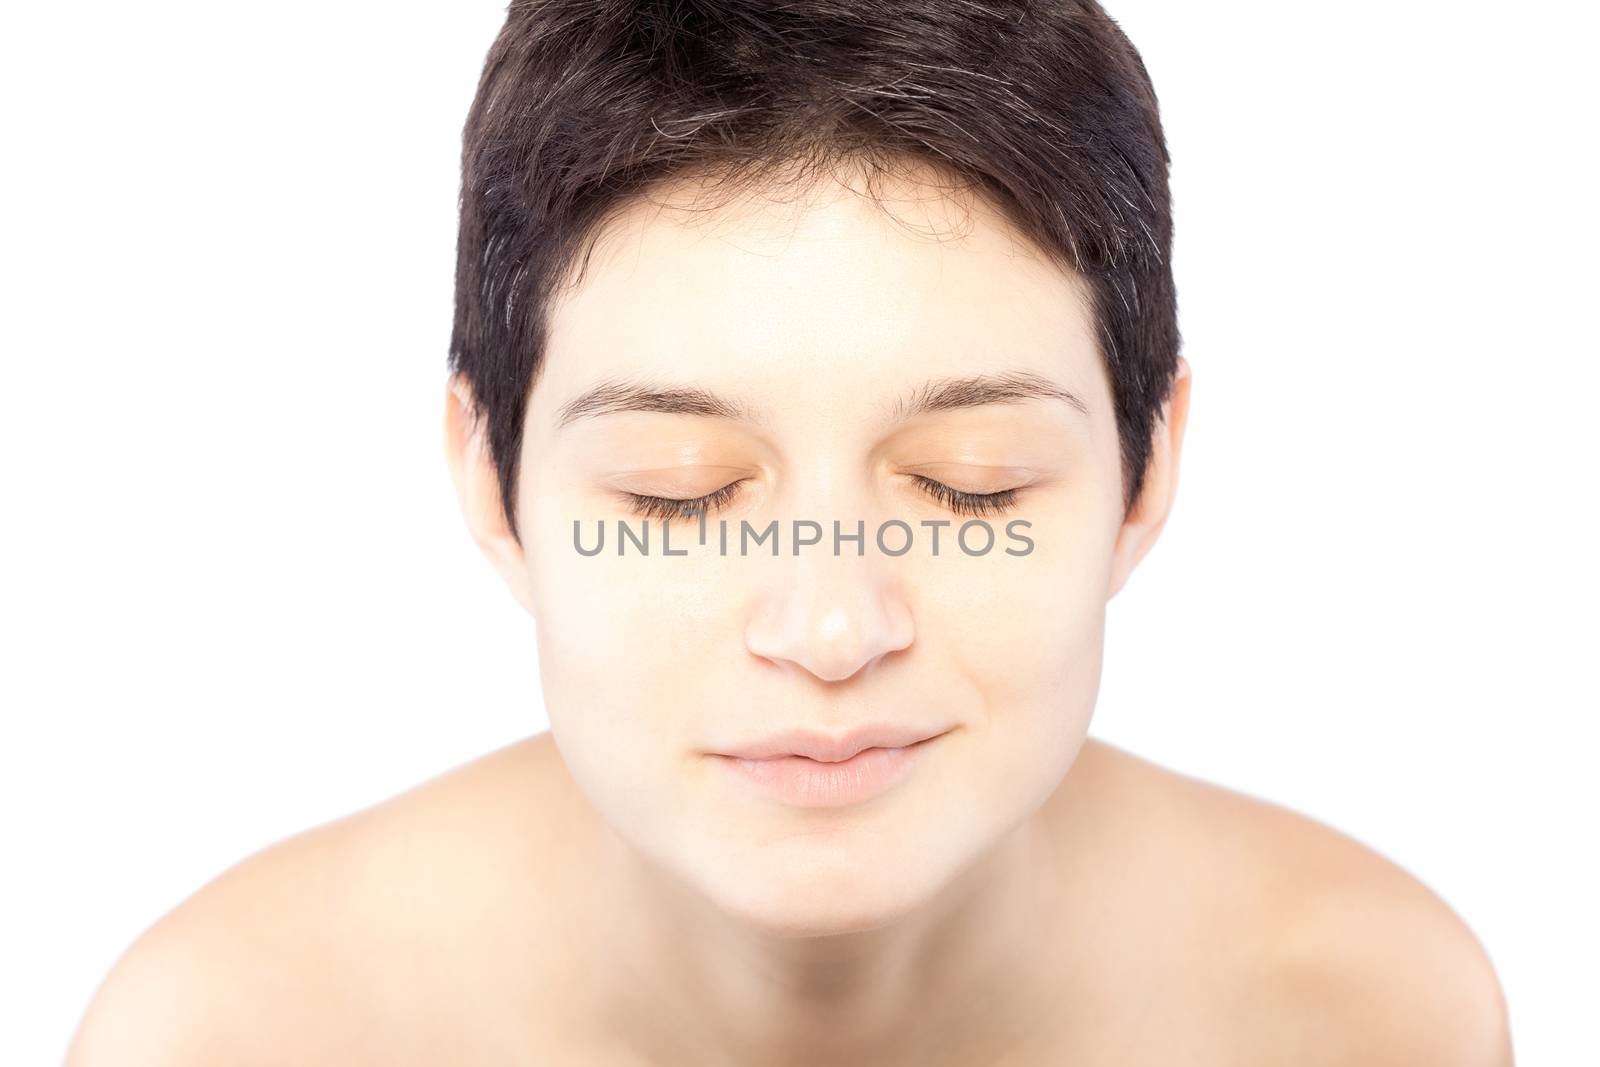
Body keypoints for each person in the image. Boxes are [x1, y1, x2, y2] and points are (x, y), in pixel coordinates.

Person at [66, 1, 1512, 1063]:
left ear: (1148, 470)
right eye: (677, 493)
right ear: (491, 480)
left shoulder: (1367, 1014)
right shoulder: (228, 1034)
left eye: (973, 484)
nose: (830, 627)